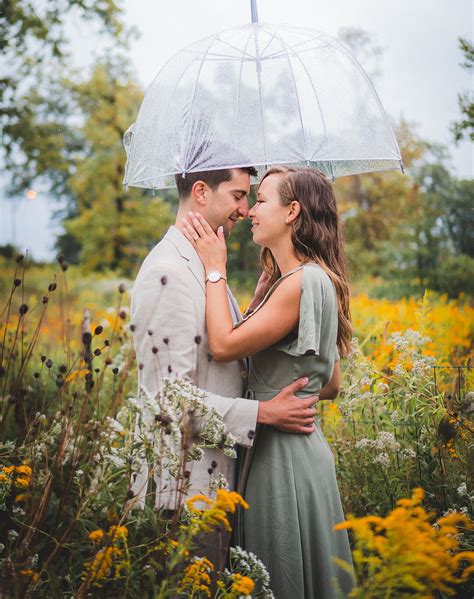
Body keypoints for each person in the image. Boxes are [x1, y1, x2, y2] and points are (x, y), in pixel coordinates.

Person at [182, 166, 355, 598]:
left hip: (282, 457)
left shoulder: (300, 283)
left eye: (261, 200)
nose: (251, 211)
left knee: (279, 574)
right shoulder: (313, 279)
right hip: (300, 449)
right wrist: (260, 306)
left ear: (292, 211)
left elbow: (222, 345)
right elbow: (328, 383)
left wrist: (215, 269)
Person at [130, 166, 326, 516]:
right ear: (202, 192)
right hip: (183, 499)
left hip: (213, 488)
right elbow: (168, 405)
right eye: (238, 195)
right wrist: (264, 413)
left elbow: (220, 358)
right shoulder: (168, 274)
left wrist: (253, 311)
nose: (246, 209)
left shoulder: (203, 265)